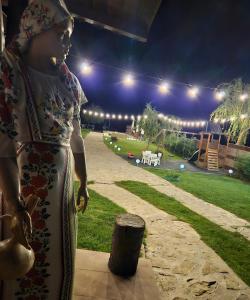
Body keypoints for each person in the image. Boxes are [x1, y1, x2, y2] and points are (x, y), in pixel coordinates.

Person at [0, 0, 89, 299]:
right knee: (20, 263)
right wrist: (14, 203)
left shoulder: (70, 83)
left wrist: (84, 181)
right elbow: (4, 147)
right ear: (36, 28)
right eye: (61, 34)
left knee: (58, 261)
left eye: (69, 37)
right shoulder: (11, 72)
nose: (67, 43)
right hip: (27, 191)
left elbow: (76, 139)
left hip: (62, 194)